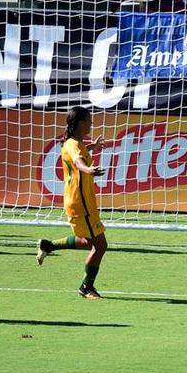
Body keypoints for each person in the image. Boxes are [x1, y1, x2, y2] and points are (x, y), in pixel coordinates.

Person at [36, 106, 107, 299]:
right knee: (100, 246)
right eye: (89, 120)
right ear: (80, 123)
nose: (92, 123)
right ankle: (86, 287)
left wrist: (92, 148)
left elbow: (77, 153)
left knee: (88, 241)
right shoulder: (73, 145)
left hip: (82, 202)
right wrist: (89, 170)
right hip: (80, 203)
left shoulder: (74, 142)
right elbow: (77, 161)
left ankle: (48, 246)